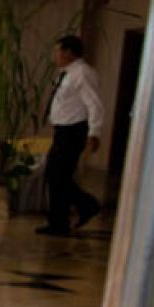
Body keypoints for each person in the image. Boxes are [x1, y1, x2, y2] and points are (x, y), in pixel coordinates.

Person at [39, 34, 104, 236]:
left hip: (73, 131)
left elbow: (95, 104)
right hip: (63, 131)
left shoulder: (82, 73)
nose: (55, 56)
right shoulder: (67, 73)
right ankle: (60, 220)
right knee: (56, 176)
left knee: (57, 175)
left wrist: (94, 133)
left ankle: (85, 206)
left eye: (57, 51)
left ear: (68, 52)